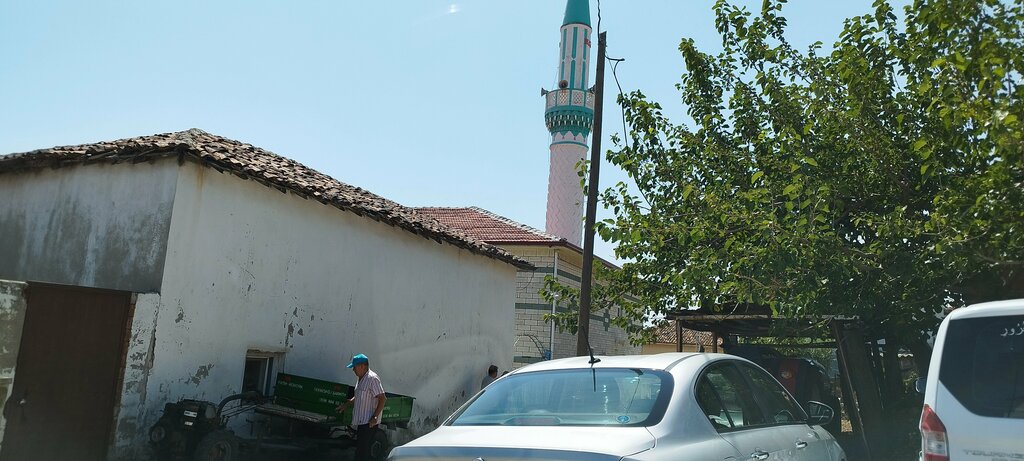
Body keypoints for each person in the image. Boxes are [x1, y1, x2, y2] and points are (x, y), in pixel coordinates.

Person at [336, 353, 386, 461]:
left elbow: (382, 398)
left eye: (354, 367)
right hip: (362, 422)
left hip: (369, 423)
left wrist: (375, 417)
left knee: (362, 453)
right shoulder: (361, 379)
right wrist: (347, 404)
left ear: (362, 366)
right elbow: (359, 395)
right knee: (360, 451)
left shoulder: (372, 379)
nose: (353, 369)